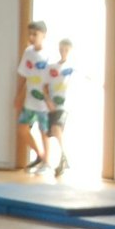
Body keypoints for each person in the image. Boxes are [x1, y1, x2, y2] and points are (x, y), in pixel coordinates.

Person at [15, 20, 53, 174]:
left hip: (43, 102)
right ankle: (40, 155)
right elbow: (24, 75)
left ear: (43, 35)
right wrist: (19, 95)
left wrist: (50, 99)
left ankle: (47, 163)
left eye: (35, 34)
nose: (31, 37)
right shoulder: (28, 52)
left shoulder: (48, 55)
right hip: (29, 100)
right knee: (22, 129)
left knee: (44, 132)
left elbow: (52, 79)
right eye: (29, 34)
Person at [45, 38, 75, 177]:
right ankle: (54, 159)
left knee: (56, 129)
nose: (63, 52)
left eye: (66, 50)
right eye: (61, 49)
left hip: (64, 105)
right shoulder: (51, 67)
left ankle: (64, 156)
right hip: (52, 105)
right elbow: (44, 85)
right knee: (50, 131)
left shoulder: (72, 68)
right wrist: (48, 100)